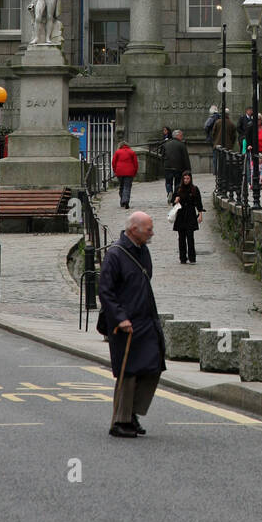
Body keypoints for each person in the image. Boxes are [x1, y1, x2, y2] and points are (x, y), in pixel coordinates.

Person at [97, 211, 165, 439]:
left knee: (153, 366)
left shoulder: (143, 250)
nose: (152, 233)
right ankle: (120, 420)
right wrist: (120, 318)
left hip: (146, 320)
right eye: (148, 229)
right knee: (129, 371)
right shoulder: (115, 254)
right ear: (134, 230)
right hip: (124, 323)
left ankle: (133, 412)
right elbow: (105, 290)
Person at [173, 171, 203, 264]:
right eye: (184, 179)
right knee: (181, 238)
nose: (186, 180)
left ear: (190, 179)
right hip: (181, 215)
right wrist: (175, 200)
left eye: (188, 179)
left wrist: (200, 214)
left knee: (190, 237)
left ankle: (192, 257)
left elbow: (198, 202)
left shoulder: (194, 189)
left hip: (190, 214)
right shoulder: (178, 189)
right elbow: (172, 202)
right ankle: (182, 257)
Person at [161, 129, 191, 204]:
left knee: (168, 182)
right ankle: (175, 197)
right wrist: (188, 169)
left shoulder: (166, 144)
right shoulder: (181, 145)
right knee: (178, 183)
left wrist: (163, 165)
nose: (182, 137)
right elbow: (185, 158)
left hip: (167, 166)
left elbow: (162, 156)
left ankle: (169, 192)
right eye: (181, 136)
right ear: (178, 136)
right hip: (178, 167)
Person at [111, 138, 138, 210]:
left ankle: (122, 200)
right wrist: (135, 172)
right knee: (127, 187)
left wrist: (115, 170)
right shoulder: (132, 152)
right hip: (129, 172)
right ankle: (125, 200)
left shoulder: (117, 152)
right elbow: (135, 163)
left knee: (121, 186)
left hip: (119, 171)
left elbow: (113, 162)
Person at [159, 126, 174, 201]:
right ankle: (171, 193)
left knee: (168, 181)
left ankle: (169, 191)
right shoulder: (172, 140)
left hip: (167, 163)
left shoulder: (166, 141)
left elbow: (161, 151)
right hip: (172, 163)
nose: (164, 131)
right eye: (163, 130)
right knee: (170, 180)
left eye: (165, 130)